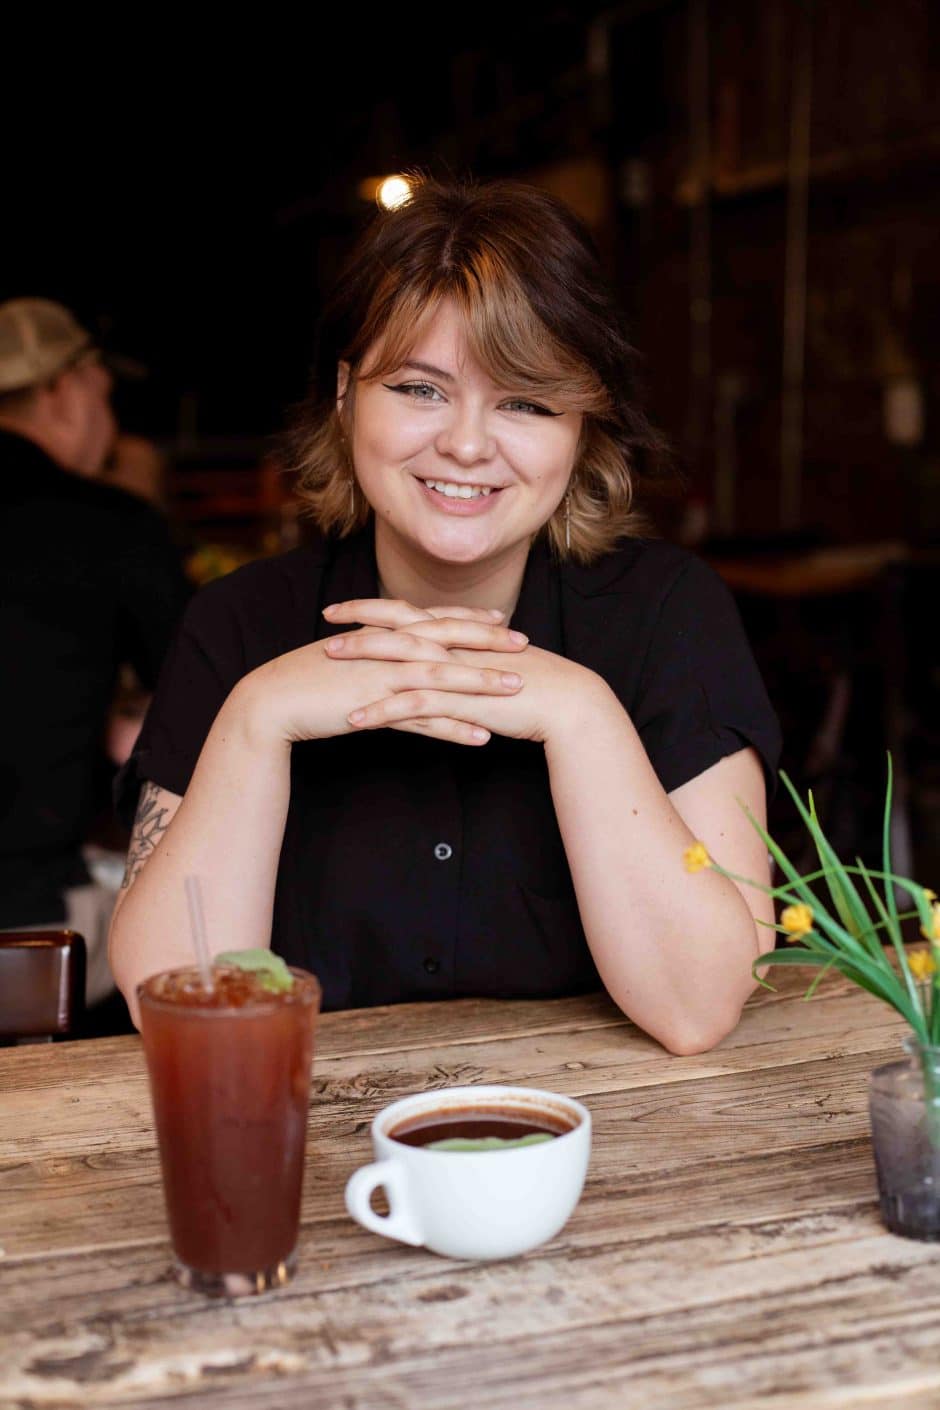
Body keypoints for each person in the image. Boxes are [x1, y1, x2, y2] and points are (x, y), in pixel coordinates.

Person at [110, 180, 781, 1053]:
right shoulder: (239, 623)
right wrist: (255, 719)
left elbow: (698, 1010)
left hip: (608, 1141)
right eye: (422, 390)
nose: (467, 444)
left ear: (585, 426)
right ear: (348, 393)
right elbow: (179, 1013)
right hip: (311, 1143)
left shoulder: (667, 614)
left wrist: (581, 717)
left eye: (527, 402)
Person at [0, 298, 192, 1008]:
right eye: (105, 398)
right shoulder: (103, 526)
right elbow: (194, 694)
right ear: (63, 389)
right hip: (31, 918)